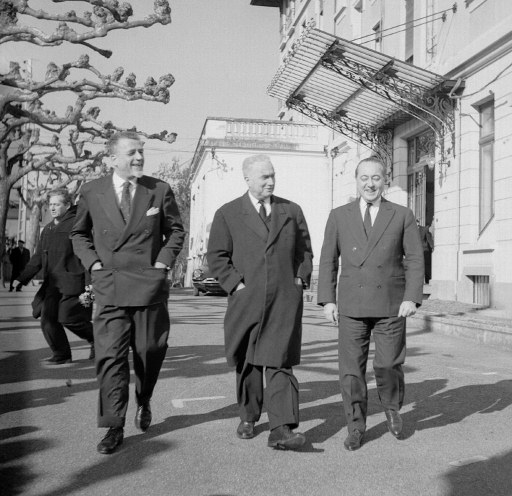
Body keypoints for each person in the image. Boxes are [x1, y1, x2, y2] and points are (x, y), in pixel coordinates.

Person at [70, 131, 185, 455]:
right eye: (132, 153)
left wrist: (163, 263)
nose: (139, 158)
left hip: (148, 287)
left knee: (150, 350)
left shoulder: (158, 189)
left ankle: (144, 397)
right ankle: (113, 425)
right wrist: (92, 263)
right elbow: (79, 234)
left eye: (141, 152)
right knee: (110, 358)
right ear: (112, 159)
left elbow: (176, 230)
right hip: (109, 286)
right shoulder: (92, 191)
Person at [317, 157, 424, 451]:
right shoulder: (339, 215)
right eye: (364, 178)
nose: (370, 184)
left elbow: (415, 258)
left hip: (391, 304)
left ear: (384, 181)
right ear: (356, 180)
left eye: (376, 178)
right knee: (351, 371)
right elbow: (328, 260)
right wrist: (327, 300)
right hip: (351, 304)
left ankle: (391, 408)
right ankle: (355, 425)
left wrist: (412, 297)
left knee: (389, 364)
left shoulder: (401, 214)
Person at [207, 154, 313, 450]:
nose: (270, 181)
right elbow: (216, 256)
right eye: (264, 177)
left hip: (283, 300)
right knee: (248, 362)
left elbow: (304, 251)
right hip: (247, 300)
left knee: (280, 361)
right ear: (248, 180)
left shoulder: (290, 210)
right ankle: (249, 415)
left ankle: (281, 429)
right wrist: (236, 285)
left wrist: (298, 280)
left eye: (272, 175)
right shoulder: (228, 213)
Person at [14, 189, 94, 365]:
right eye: (50, 204)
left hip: (74, 282)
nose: (52, 208)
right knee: (48, 320)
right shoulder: (48, 228)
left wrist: (90, 284)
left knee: (69, 318)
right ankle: (61, 354)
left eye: (57, 204)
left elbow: (87, 254)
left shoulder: (77, 225)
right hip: (53, 285)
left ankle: (96, 339)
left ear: (67, 205)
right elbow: (38, 258)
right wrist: (22, 278)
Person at [417, 220, 434, 284]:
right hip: (416, 252)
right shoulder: (411, 231)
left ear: (418, 223)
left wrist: (432, 246)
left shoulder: (424, 229)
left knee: (427, 267)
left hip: (425, 251)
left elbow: (429, 238)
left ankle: (428, 281)